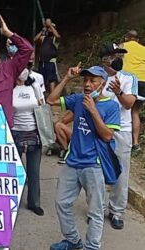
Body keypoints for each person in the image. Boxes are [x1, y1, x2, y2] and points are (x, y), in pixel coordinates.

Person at [47, 65, 120, 250]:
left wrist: (94, 111)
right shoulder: (78, 99)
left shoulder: (111, 106)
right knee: (61, 203)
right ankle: (73, 241)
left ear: (102, 84)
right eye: (85, 80)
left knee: (95, 211)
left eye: (93, 81)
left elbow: (107, 136)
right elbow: (51, 100)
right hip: (72, 162)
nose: (87, 85)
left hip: (94, 165)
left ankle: (92, 246)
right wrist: (67, 78)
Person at [100, 42, 137, 230]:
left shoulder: (129, 78)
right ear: (105, 59)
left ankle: (116, 212)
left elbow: (129, 104)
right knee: (96, 173)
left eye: (121, 56)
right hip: (100, 130)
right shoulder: (96, 77)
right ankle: (97, 210)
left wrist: (119, 92)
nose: (118, 59)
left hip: (122, 131)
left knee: (121, 174)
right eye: (115, 56)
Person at [12, 68, 44, 216]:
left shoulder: (34, 86)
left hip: (34, 131)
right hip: (15, 132)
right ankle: (13, 202)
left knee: (34, 172)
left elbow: (42, 106)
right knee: (14, 171)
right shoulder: (9, 87)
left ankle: (34, 203)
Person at [120, 30, 145, 151]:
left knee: (121, 109)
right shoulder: (143, 49)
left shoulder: (122, 46)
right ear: (138, 40)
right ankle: (135, 143)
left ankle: (121, 140)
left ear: (126, 38)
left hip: (127, 80)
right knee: (135, 112)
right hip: (142, 82)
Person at [34, 18, 61, 94]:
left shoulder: (55, 39)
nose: (49, 29)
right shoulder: (44, 38)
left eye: (51, 28)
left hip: (50, 61)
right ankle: (41, 95)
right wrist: (43, 30)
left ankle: (52, 95)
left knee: (51, 79)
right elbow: (35, 40)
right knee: (41, 78)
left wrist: (50, 26)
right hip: (42, 61)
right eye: (48, 28)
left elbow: (58, 36)